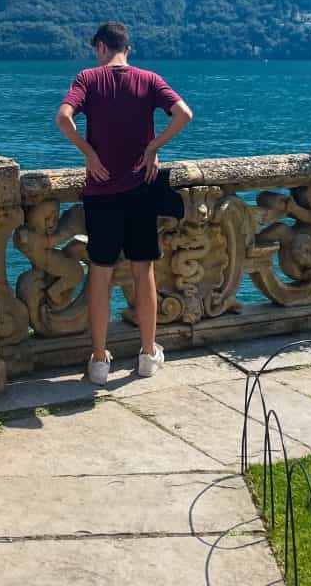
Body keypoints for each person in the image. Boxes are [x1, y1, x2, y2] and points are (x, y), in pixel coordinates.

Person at [55, 21, 193, 386]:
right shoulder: (149, 80)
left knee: (100, 274)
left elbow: (63, 117)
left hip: (101, 193)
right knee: (142, 271)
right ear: (126, 48)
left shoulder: (88, 78)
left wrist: (88, 154)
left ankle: (99, 361)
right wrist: (153, 147)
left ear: (101, 47)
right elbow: (184, 114)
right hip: (141, 190)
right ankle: (147, 354)